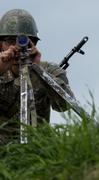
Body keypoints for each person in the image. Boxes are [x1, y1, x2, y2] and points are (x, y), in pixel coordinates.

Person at [0, 9, 74, 145]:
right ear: (0, 45)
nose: (17, 47)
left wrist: (38, 70)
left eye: (24, 42)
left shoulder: (49, 70)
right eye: (10, 41)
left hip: (37, 148)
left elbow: (65, 105)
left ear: (34, 44)